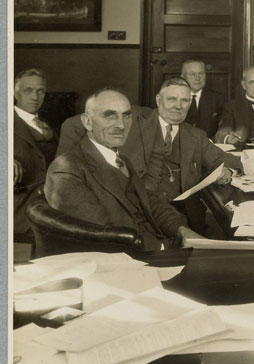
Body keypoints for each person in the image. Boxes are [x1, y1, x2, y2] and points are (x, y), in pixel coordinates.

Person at [57, 78, 242, 231]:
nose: (178, 106)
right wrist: (71, 165)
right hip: (134, 209)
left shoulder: (195, 135)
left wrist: (228, 171)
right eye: (171, 99)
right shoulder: (132, 119)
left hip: (182, 215)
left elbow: (229, 160)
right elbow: (74, 124)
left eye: (184, 101)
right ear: (158, 100)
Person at [44, 88, 202, 251]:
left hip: (153, 248)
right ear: (87, 122)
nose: (121, 125)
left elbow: (149, 203)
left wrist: (182, 230)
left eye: (126, 115)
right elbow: (103, 238)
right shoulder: (66, 170)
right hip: (126, 261)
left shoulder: (121, 160)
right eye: (110, 115)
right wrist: (166, 247)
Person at [13, 68, 58, 242]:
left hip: (49, 210)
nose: (35, 97)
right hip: (19, 215)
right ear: (16, 94)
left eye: (40, 91)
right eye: (28, 91)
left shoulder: (48, 124)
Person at [181, 59, 225, 138]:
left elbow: (223, 128)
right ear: (183, 77)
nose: (197, 78)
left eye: (201, 74)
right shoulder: (175, 98)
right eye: (192, 74)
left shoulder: (218, 99)